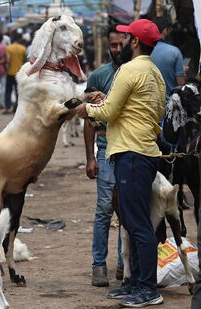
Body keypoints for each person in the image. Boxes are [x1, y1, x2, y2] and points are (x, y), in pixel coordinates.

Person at [76, 19, 166, 308]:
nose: (123, 43)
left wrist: (86, 108)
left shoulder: (129, 70)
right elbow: (144, 109)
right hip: (145, 152)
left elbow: (109, 113)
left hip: (131, 154)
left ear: (136, 42)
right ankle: (134, 283)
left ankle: (148, 289)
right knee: (131, 221)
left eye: (127, 38)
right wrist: (105, 102)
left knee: (138, 225)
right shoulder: (156, 74)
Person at [85, 25, 126, 288]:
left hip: (131, 151)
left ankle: (124, 264)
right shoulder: (99, 76)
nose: (118, 50)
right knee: (104, 211)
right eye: (114, 45)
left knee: (129, 212)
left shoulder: (135, 73)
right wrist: (90, 157)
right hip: (107, 153)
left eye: (122, 44)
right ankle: (99, 265)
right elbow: (89, 120)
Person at [150, 16, 185, 100]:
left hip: (148, 106)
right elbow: (180, 84)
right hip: (169, 107)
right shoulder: (175, 51)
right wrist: (182, 72)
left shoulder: (143, 50)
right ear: (166, 31)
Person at [4, 32, 27, 114]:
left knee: (8, 90)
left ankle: (7, 107)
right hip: (19, 74)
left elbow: (7, 60)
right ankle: (17, 108)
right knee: (18, 91)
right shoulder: (23, 48)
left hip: (10, 72)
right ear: (19, 39)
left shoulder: (8, 48)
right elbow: (25, 61)